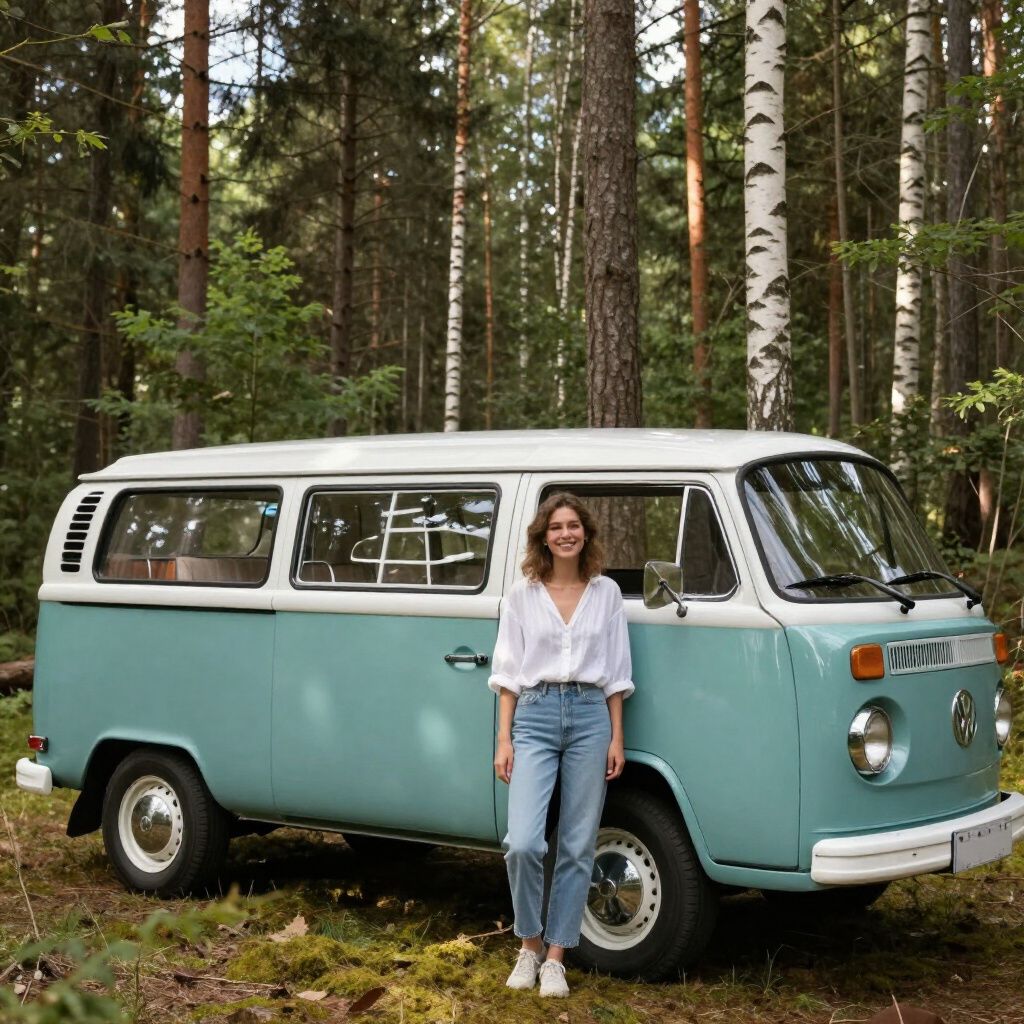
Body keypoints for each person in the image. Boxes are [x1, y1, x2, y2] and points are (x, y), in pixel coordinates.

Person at [489, 492, 634, 998]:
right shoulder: (522, 594)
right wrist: (504, 739)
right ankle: (528, 945)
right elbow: (508, 673)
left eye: (573, 525)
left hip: (592, 716)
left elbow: (617, 672)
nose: (565, 534)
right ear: (543, 537)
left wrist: (616, 736)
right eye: (556, 527)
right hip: (535, 714)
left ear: (585, 534)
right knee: (524, 843)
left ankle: (556, 958)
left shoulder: (607, 593)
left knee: (577, 844)